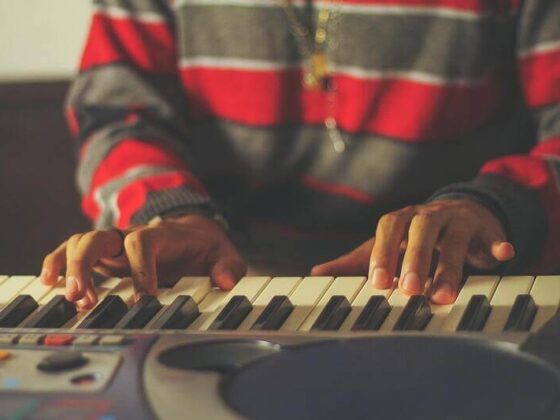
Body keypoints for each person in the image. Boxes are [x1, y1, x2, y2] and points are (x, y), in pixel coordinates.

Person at [40, 0, 559, 310]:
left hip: (464, 287)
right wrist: (169, 212)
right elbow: (115, 112)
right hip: (218, 288)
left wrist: (494, 205)